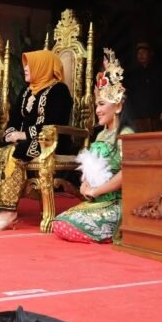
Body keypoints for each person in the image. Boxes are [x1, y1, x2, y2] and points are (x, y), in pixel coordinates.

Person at [0, 50, 73, 231]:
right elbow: (14, 119)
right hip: (23, 140)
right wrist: (9, 133)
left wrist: (24, 135)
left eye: (29, 65)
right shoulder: (25, 91)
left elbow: (55, 123)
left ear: (42, 67)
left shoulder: (58, 91)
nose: (25, 69)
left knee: (14, 153)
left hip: (49, 141)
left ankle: (9, 212)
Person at [54, 48, 135, 243]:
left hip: (115, 202)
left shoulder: (125, 135)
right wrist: (85, 184)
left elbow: (128, 174)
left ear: (118, 106)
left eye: (101, 104)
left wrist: (98, 190)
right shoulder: (100, 135)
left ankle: (113, 230)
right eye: (96, 105)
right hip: (96, 200)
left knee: (67, 225)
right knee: (59, 222)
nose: (97, 110)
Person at [124, 41, 162, 132]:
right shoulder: (133, 73)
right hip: (138, 116)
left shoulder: (161, 69)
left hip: (157, 115)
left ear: (151, 54)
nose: (140, 55)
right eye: (138, 53)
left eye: (143, 52)